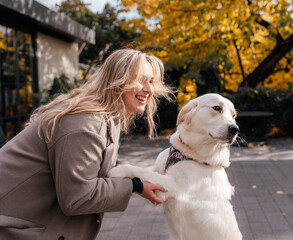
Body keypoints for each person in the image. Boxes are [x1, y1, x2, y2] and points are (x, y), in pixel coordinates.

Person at [0, 48, 174, 239]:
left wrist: (140, 177)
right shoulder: (85, 124)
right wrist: (135, 186)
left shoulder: (106, 118)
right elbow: (78, 197)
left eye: (150, 81)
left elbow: (96, 172)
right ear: (118, 80)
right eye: (140, 79)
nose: (149, 89)